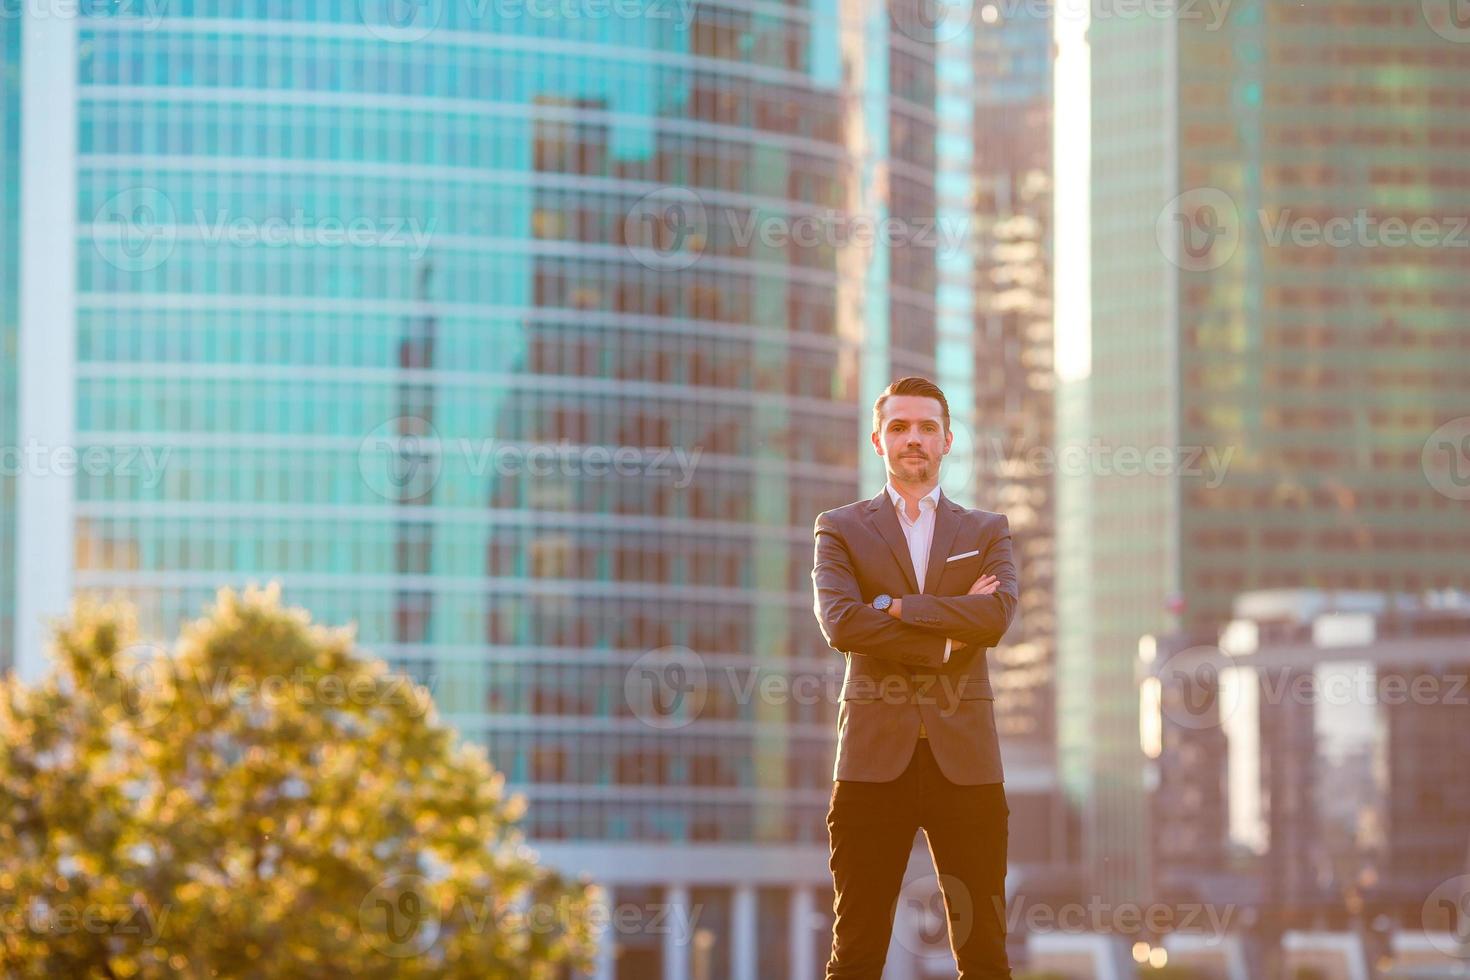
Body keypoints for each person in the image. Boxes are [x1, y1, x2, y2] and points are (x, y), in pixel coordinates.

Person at [811, 376, 1019, 979]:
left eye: (927, 427)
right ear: (878, 440)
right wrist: (950, 637)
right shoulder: (840, 527)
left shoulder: (986, 530)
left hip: (968, 764)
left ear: (948, 440)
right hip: (873, 763)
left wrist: (897, 606)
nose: (913, 439)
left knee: (985, 957)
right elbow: (842, 624)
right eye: (899, 427)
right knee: (856, 953)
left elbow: (998, 615)